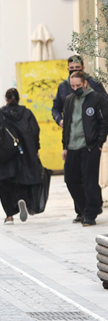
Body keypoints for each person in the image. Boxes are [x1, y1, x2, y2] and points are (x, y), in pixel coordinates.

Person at [0, 88, 43, 224]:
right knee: (21, 181)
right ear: (18, 98)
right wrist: (35, 149)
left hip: (3, 157)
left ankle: (9, 215)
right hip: (23, 154)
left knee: (3, 184)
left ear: (6, 99)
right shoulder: (27, 113)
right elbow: (35, 131)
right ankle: (21, 199)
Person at [62, 71, 108, 226]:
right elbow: (67, 126)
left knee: (89, 181)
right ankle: (85, 208)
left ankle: (90, 214)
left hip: (90, 146)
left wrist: (100, 142)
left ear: (85, 83)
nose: (76, 89)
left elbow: (104, 122)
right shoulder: (69, 100)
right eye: (73, 86)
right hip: (72, 147)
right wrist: (65, 146)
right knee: (70, 179)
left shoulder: (96, 99)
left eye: (78, 86)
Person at [53, 55, 108, 127]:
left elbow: (105, 103)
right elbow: (56, 108)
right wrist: (60, 120)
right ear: (68, 69)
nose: (74, 69)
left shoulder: (94, 83)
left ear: (83, 68)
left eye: (77, 67)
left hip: (92, 129)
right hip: (71, 132)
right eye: (72, 68)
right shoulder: (63, 86)